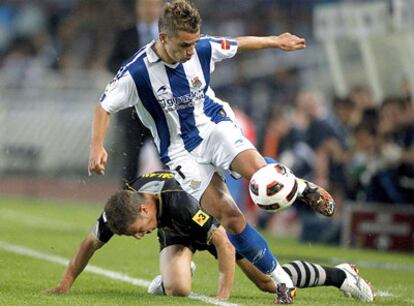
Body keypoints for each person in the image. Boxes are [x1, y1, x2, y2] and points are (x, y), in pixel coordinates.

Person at [88, 1, 335, 303]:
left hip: (213, 127)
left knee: (260, 178)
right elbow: (104, 105)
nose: (191, 50)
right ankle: (282, 281)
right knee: (230, 218)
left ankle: (301, 188)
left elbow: (237, 44)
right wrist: (96, 146)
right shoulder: (136, 72)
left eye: (195, 42)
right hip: (180, 154)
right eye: (184, 44)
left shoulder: (202, 48)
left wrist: (275, 41)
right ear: (163, 38)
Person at [46, 171, 374, 302]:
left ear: (145, 212)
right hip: (176, 230)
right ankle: (175, 271)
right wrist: (66, 283)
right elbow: (90, 242)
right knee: (177, 289)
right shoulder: (122, 206)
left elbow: (223, 245)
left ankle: (341, 275)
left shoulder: (180, 201)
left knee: (269, 284)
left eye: (137, 232)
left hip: (214, 225)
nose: (138, 237)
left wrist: (222, 297)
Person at [107, 0, 163, 184]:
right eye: (145, 5)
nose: (149, 10)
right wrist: (131, 74)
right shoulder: (125, 35)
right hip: (132, 110)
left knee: (171, 161)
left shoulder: (167, 36)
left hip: (162, 110)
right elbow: (111, 63)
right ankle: (125, 205)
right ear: (138, 9)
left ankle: (173, 203)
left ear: (160, 8)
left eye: (153, 5)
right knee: (130, 161)